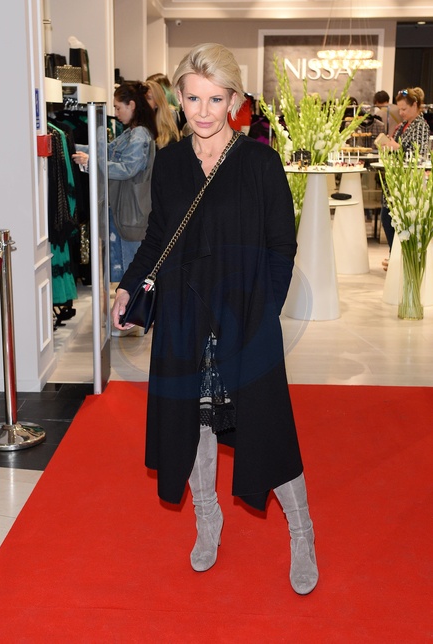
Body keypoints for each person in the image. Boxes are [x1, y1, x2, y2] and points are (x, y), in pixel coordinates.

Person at [111, 43, 319, 595]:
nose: (203, 111)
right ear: (178, 98)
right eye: (193, 98)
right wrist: (128, 287)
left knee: (268, 428)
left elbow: (281, 246)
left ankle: (302, 532)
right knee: (194, 424)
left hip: (246, 318)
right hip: (184, 317)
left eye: (216, 99)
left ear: (234, 100)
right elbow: (158, 236)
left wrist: (265, 311)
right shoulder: (171, 163)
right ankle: (208, 522)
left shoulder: (259, 163)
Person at [72, 81, 157, 285]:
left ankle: (133, 306)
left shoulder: (139, 135)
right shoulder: (132, 133)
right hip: (126, 210)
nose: (116, 113)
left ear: (132, 105)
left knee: (132, 271)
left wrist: (91, 162)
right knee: (128, 269)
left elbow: (127, 169)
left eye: (118, 107)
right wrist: (71, 146)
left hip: (132, 212)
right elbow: (107, 151)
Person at [377, 87, 430, 268]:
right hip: (395, 179)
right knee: (387, 217)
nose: (401, 113)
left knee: (399, 220)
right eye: (399, 109)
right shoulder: (401, 126)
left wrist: (396, 147)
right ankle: (394, 254)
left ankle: (399, 257)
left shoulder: (421, 126)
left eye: (404, 109)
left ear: (415, 105)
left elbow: (419, 154)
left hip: (408, 181)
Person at [145, 79, 181, 148]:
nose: (144, 101)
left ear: (157, 102)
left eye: (148, 98)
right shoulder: (134, 127)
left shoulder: (169, 133)